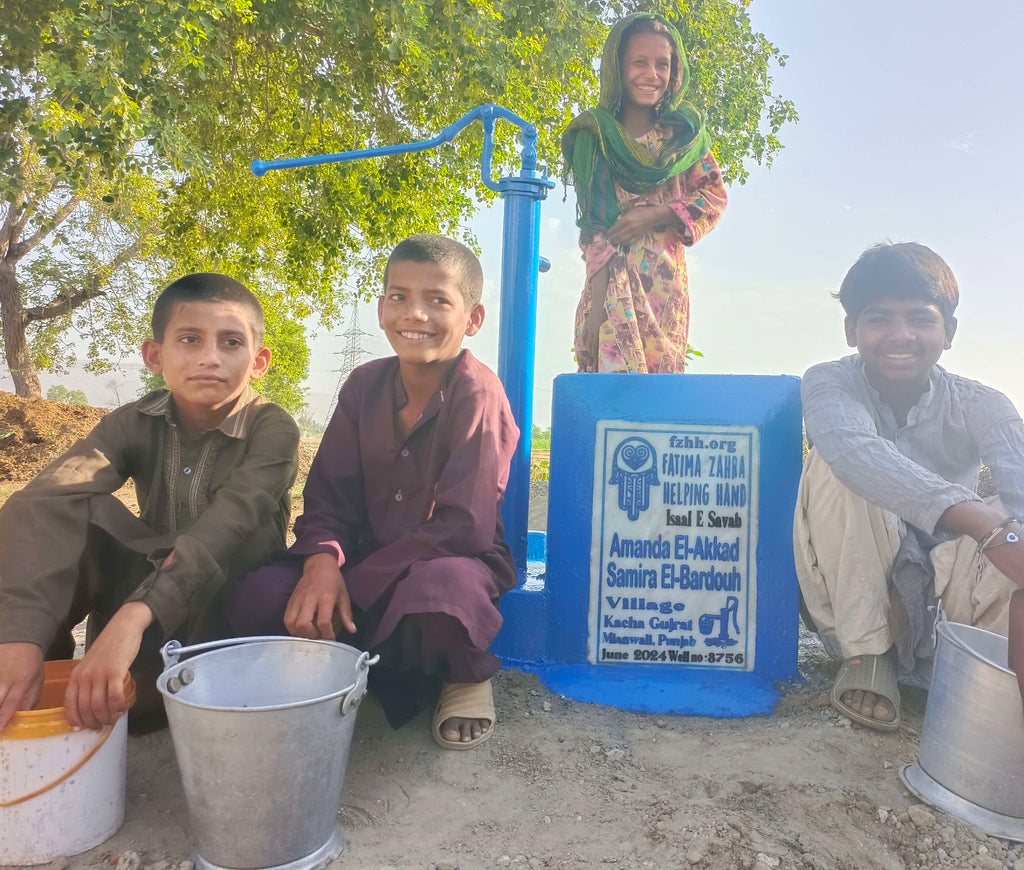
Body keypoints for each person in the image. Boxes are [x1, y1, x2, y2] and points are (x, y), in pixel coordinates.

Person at [229, 234, 519, 750]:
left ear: (472, 319)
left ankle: (463, 675)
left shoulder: (478, 392)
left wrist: (354, 583)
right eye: (399, 296)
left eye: (438, 300)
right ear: (382, 307)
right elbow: (329, 497)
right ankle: (345, 655)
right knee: (258, 595)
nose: (415, 314)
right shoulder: (364, 384)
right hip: (358, 554)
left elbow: (464, 526)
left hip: (446, 559)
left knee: (445, 595)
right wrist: (322, 563)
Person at [0, 273, 299, 733]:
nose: (210, 358)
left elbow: (227, 527)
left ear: (258, 361)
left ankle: (174, 687)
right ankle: (36, 671)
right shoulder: (133, 421)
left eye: (231, 342)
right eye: (190, 339)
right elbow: (42, 500)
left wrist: (130, 621)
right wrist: (20, 631)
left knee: (245, 532)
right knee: (70, 507)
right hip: (142, 597)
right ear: (155, 355)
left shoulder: (272, 429)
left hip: (224, 607)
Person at [794, 242, 1024, 731]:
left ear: (949, 331)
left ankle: (977, 674)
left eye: (921, 319)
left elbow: (1019, 484)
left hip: (950, 589)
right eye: (879, 319)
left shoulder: (983, 403)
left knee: (1013, 514)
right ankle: (869, 656)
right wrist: (982, 521)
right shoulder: (828, 382)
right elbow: (855, 451)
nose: (901, 336)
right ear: (851, 330)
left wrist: (1008, 532)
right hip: (858, 580)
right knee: (834, 466)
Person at [561, 12, 727, 374]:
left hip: (664, 290)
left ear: (674, 71)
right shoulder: (595, 138)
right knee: (606, 392)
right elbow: (594, 228)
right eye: (639, 62)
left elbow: (713, 197)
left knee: (659, 397)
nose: (651, 75)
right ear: (617, 67)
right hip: (609, 285)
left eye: (662, 64)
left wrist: (653, 215)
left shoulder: (683, 138)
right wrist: (597, 305)